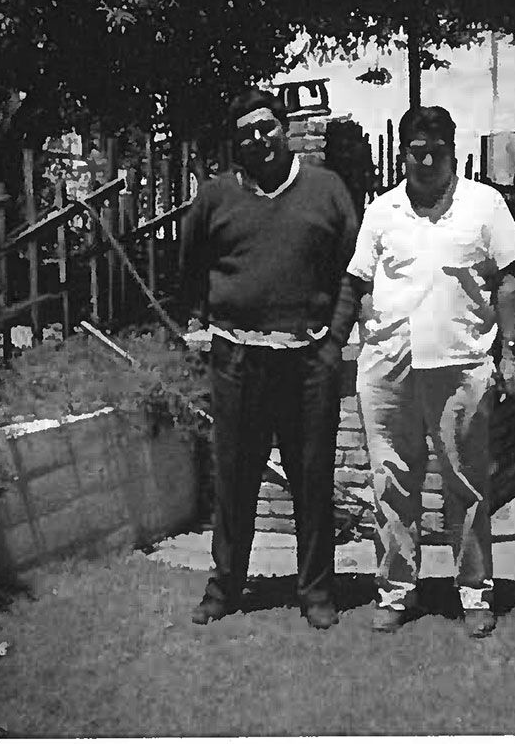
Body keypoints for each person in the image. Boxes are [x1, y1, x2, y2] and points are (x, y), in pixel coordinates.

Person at [345, 105, 515, 638]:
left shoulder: (484, 205)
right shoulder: (381, 211)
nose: (426, 160)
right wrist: (367, 335)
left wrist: (512, 353)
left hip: (460, 366)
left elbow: (511, 281)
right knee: (391, 481)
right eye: (416, 150)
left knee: (467, 484)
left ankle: (474, 592)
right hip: (388, 367)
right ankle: (397, 590)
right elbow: (360, 282)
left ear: (452, 150)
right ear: (403, 153)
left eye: (437, 150)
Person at [179, 88, 360, 630]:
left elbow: (354, 272)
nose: (257, 139)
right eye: (245, 134)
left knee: (311, 477)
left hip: (308, 363)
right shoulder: (213, 199)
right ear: (235, 146)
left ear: (284, 128)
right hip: (238, 362)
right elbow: (189, 274)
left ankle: (317, 592)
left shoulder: (327, 191)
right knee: (233, 480)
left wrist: (334, 342)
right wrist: (209, 330)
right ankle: (225, 587)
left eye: (265, 127)